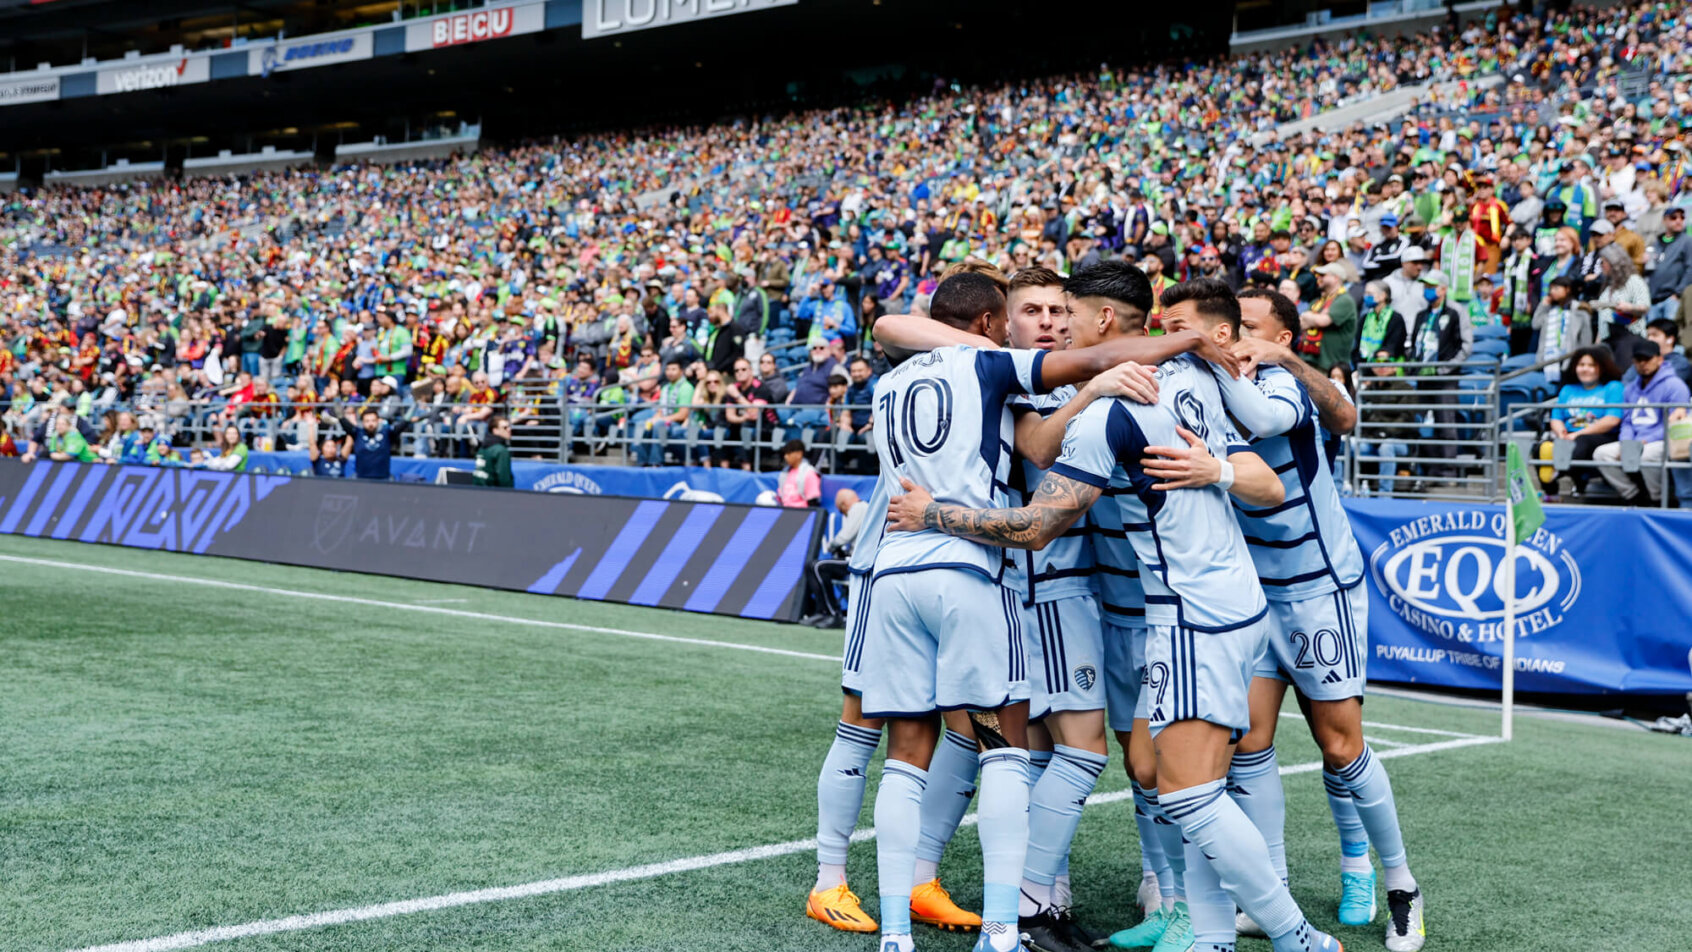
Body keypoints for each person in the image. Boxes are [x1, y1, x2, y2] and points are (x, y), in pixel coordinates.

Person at [884, 276, 1343, 952]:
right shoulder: (1191, 377)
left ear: (1100, 324)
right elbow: (1267, 482)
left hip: (1187, 614)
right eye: (1039, 313)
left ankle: (1295, 935)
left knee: (1183, 792)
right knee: (1160, 773)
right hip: (1225, 605)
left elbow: (1038, 523)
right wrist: (1213, 457)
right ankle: (1204, 931)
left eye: (1063, 314)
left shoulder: (1104, 415)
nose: (1057, 329)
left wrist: (935, 515)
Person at [1224, 291, 1426, 948]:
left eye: (1249, 327)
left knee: (1339, 745)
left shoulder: (1285, 382)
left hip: (1316, 591)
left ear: (1283, 333)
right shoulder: (1213, 384)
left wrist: (1282, 356)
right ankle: (1271, 893)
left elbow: (1345, 415)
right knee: (1247, 744)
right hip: (1253, 592)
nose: (1237, 337)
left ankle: (1395, 882)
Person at [1593, 340, 1692, 504]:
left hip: (1665, 441)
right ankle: (1633, 496)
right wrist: (1627, 442)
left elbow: (1676, 424)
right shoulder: (1631, 388)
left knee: (1647, 455)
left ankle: (1658, 498)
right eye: (1639, 360)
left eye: (1647, 359)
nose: (1643, 364)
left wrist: (1645, 441)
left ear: (1659, 359)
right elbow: (1627, 422)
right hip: (1637, 440)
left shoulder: (1675, 385)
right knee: (1601, 454)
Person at [1538, 347, 1624, 496]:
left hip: (1600, 436)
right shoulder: (1567, 389)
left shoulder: (1614, 387)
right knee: (1541, 448)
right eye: (1581, 365)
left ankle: (1558, 470)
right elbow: (1556, 417)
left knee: (1582, 443)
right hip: (1569, 435)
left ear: (1602, 367)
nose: (1585, 369)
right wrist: (1561, 432)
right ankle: (1551, 494)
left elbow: (1612, 420)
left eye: (1591, 365)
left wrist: (1577, 435)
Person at [1355, 353, 1419, 494]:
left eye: (1387, 360)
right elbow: (1360, 416)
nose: (1382, 365)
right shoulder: (1367, 389)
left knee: (1386, 447)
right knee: (1349, 445)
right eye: (1378, 360)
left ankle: (1384, 496)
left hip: (1399, 442)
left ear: (1395, 366)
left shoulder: (1405, 388)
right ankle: (1346, 490)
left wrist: (1386, 432)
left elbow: (1406, 418)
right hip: (1372, 440)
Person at [1584, 244, 1651, 365]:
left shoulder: (1633, 281)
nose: (1601, 266)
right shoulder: (1608, 286)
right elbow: (1603, 318)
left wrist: (1629, 307)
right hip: (1608, 338)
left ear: (1614, 263)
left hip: (1629, 337)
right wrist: (1597, 344)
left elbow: (1645, 307)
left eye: (1603, 262)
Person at [1297, 262, 1358, 374]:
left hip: (1330, 367)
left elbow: (1323, 321)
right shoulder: (1316, 301)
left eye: (1323, 275)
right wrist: (1315, 318)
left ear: (1336, 278)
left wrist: (1309, 317)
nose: (1318, 278)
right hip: (1308, 362)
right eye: (1317, 275)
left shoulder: (1345, 300)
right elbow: (1301, 323)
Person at [1532, 276, 1590, 387]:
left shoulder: (1580, 310)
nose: (1552, 292)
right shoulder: (1550, 310)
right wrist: (1543, 305)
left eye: (1556, 288)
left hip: (1569, 361)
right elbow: (1536, 324)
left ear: (1567, 289)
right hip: (1549, 360)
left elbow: (1585, 340)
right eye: (1551, 289)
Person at [339, 407, 414, 480]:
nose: (370, 424)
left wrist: (415, 406)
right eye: (367, 421)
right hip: (361, 478)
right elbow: (342, 420)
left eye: (373, 420)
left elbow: (404, 422)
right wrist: (336, 402)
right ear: (362, 422)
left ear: (378, 421)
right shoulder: (357, 433)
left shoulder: (387, 433)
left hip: (384, 479)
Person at [1354, 281, 1408, 363]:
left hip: (1388, 366)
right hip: (1365, 367)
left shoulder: (1396, 319)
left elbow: (1394, 346)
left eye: (1370, 294)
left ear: (1383, 296)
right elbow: (1357, 346)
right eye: (1365, 293)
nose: (1366, 296)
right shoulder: (1364, 318)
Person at [474, 415, 515, 487]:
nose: (509, 429)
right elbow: (504, 480)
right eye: (505, 428)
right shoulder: (501, 451)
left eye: (509, 426)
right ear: (495, 430)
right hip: (494, 494)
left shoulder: (482, 447)